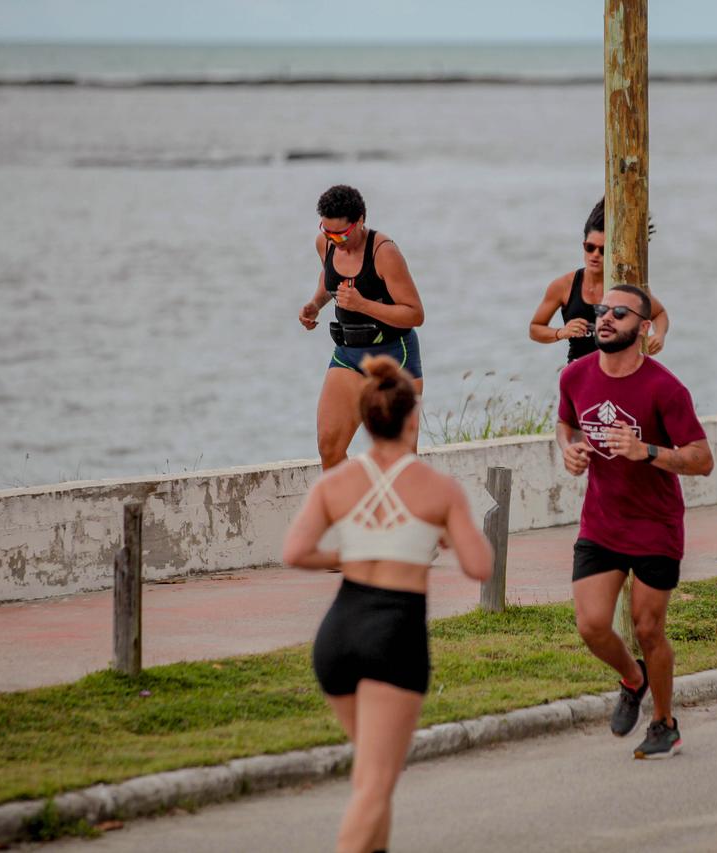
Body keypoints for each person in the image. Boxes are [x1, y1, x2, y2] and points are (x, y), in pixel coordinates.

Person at [283, 355, 492, 853]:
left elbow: (296, 552)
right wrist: (440, 530)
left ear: (366, 418)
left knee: (370, 777)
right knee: (377, 784)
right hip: (393, 635)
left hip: (337, 633)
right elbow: (480, 566)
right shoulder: (438, 488)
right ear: (412, 418)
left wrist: (356, 550)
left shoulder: (335, 483)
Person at [556, 284, 713, 759]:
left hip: (655, 526)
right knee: (592, 626)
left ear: (643, 328)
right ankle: (633, 677)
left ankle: (664, 723)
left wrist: (646, 451)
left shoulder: (665, 388)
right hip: (601, 523)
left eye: (619, 313)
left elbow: (702, 459)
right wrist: (569, 450)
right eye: (602, 310)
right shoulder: (575, 375)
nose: (605, 318)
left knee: (648, 629)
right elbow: (566, 422)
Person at [299, 185, 425, 469]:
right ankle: (348, 511)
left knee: (400, 461)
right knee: (329, 446)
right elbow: (328, 278)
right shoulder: (326, 243)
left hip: (394, 356)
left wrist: (363, 305)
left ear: (360, 221)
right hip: (349, 353)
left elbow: (415, 314)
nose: (335, 240)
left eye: (342, 234)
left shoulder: (384, 252)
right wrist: (315, 304)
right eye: (328, 232)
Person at [530, 199, 669, 362]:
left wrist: (659, 336)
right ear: (584, 245)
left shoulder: (628, 285)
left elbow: (659, 313)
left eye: (603, 250)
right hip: (580, 373)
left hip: (620, 373)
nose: (595, 255)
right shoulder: (563, 286)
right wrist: (560, 332)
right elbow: (535, 328)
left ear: (614, 251)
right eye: (590, 247)